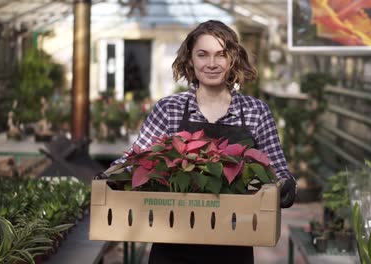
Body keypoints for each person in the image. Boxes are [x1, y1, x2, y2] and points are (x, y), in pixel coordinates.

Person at [106, 20, 296, 264]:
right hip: (172, 238)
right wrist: (111, 175)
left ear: (233, 59)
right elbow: (137, 156)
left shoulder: (255, 111)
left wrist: (286, 186)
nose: (212, 63)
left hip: (234, 239)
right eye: (203, 55)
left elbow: (278, 170)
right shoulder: (169, 108)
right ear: (190, 60)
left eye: (221, 55)